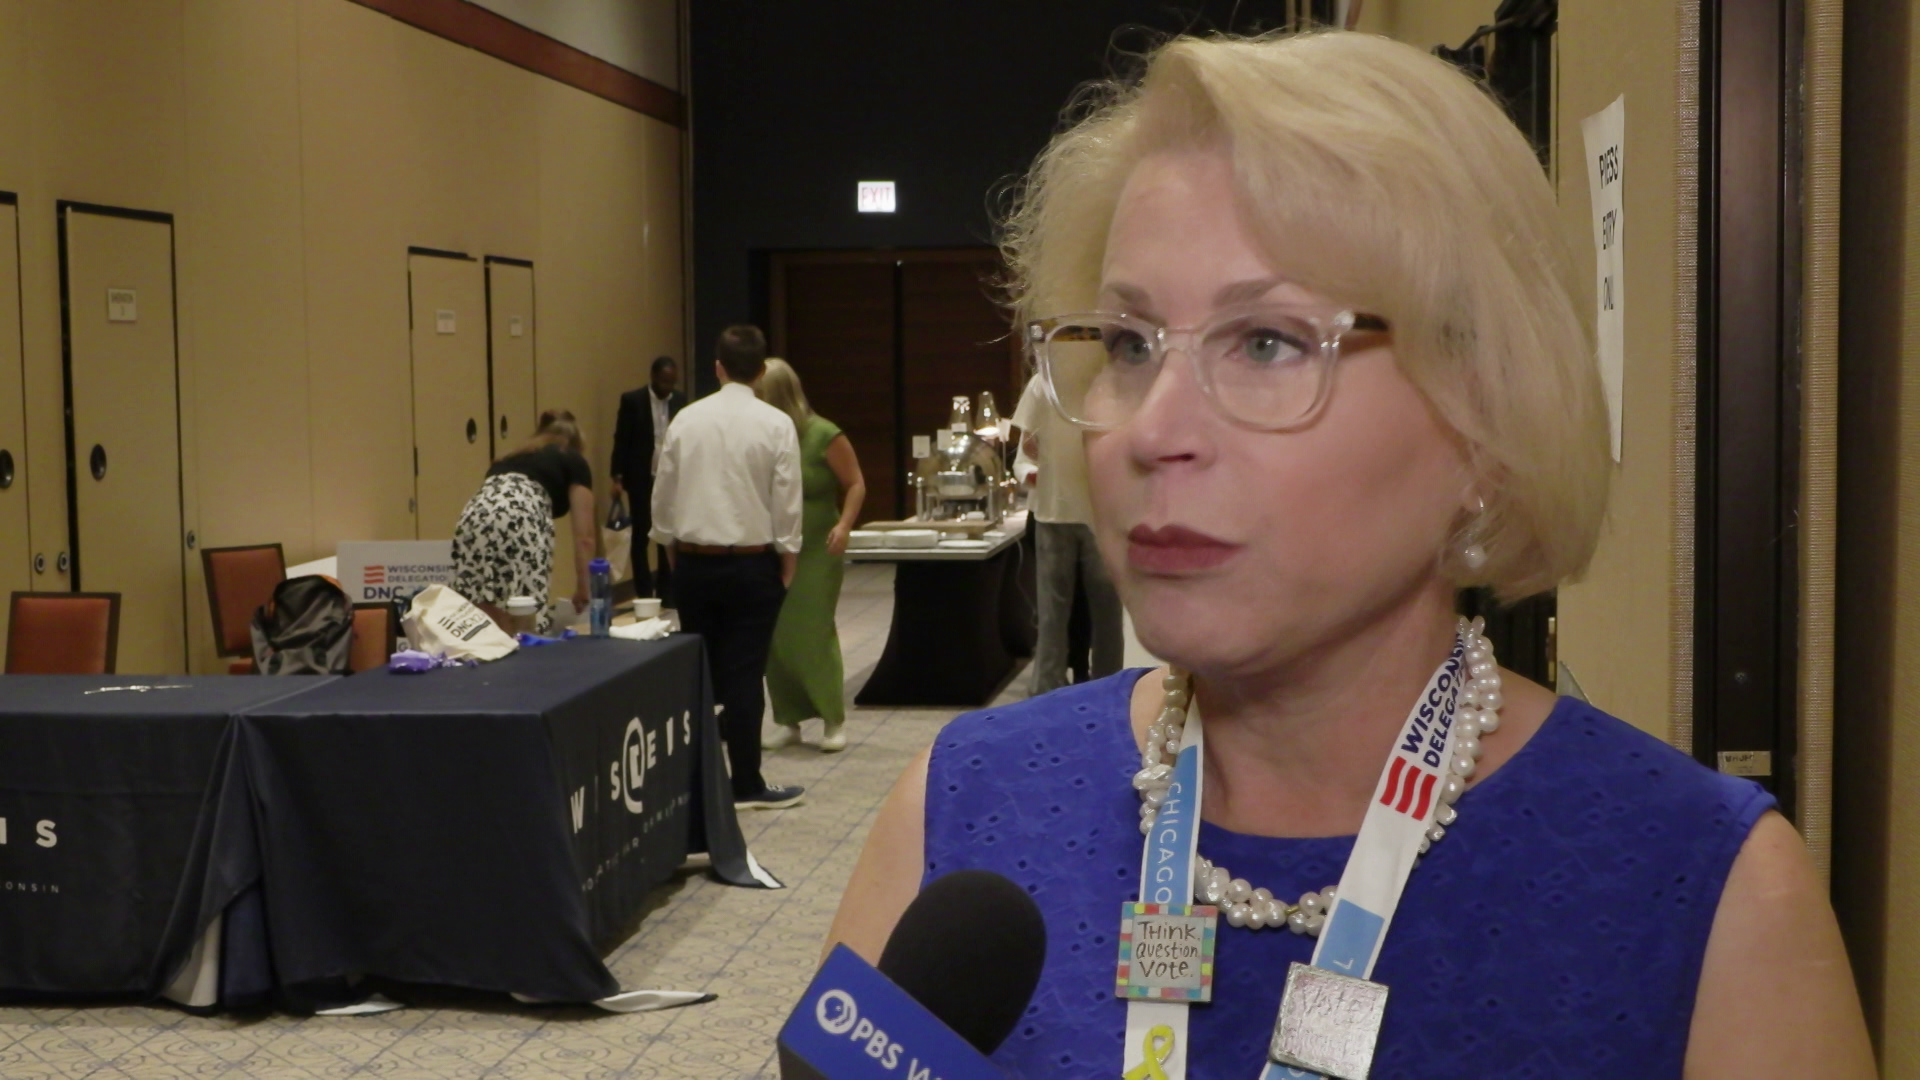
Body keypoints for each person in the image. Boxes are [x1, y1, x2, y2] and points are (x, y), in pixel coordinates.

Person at [825, 31, 1874, 1078]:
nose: (1152, 430)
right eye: (1132, 346)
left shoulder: (1705, 896)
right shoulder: (964, 809)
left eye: (1269, 343)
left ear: (1481, 418)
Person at [651, 326, 806, 811]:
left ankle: (696, 779)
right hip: (752, 563)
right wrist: (788, 559)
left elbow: (664, 497)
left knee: (700, 672)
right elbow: (788, 502)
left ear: (716, 367)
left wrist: (674, 553)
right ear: (761, 372)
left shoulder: (685, 420)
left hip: (694, 563)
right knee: (745, 674)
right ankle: (746, 782)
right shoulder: (776, 423)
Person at [756, 358, 867, 753]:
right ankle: (789, 719)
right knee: (777, 635)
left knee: (814, 631)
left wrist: (845, 526)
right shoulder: (765, 434)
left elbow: (854, 483)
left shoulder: (823, 434)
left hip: (819, 545)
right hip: (775, 545)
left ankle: (832, 718)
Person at [1011, 372, 1125, 694]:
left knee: (1077, 611)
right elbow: (1027, 451)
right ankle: (1084, 689)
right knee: (1080, 613)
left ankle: (1073, 689)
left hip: (1082, 510)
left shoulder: (1057, 379)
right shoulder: (1055, 380)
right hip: (1071, 510)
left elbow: (1031, 446)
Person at [450, 409, 594, 633]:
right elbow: (584, 537)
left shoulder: (512, 456)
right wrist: (585, 587)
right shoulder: (573, 458)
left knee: (479, 603)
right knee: (526, 609)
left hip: (473, 516)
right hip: (521, 515)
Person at [610, 355, 685, 603]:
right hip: (641, 477)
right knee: (641, 535)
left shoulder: (681, 402)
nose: (668, 388)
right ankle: (643, 592)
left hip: (670, 479)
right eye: (664, 382)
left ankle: (666, 592)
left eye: (672, 382)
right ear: (653, 377)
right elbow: (622, 439)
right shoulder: (633, 401)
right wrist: (617, 477)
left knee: (666, 535)